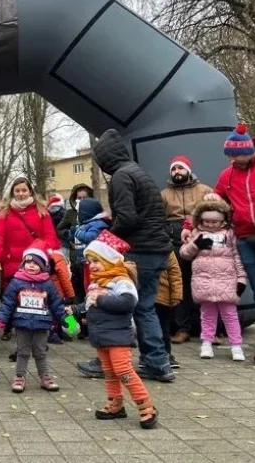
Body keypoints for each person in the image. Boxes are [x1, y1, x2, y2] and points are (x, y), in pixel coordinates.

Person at [184, 124, 255, 364]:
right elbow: (210, 204)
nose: (231, 159)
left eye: (234, 155)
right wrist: (189, 227)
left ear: (249, 149)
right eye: (228, 155)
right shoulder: (228, 175)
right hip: (248, 240)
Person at [78, 129, 175, 383]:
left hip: (139, 251)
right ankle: (157, 361)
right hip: (157, 250)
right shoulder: (138, 172)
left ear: (105, 158)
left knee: (116, 304)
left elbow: (128, 218)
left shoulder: (122, 176)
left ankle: (108, 360)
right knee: (145, 307)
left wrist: (106, 239)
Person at [68, 231, 158, 429]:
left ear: (109, 260)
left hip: (118, 335)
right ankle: (115, 404)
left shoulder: (121, 281)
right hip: (100, 336)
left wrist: (101, 299)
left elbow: (128, 302)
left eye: (96, 261)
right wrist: (74, 310)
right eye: (89, 262)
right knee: (109, 372)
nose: (92, 266)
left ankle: (146, 405)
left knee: (123, 370)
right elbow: (87, 304)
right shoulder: (96, 283)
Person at [0, 177, 61, 340]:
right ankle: (7, 326)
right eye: (17, 191)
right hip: (12, 264)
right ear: (12, 192)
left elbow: (50, 237)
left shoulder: (41, 211)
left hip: (35, 263)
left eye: (24, 190)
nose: (21, 194)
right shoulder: (4, 213)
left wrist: (38, 251)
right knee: (11, 299)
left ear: (30, 191)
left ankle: (55, 329)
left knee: (45, 299)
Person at [180, 200, 246, 361]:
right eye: (207, 221)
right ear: (201, 220)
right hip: (204, 282)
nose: (211, 224)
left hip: (227, 280)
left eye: (215, 221)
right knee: (207, 315)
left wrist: (242, 279)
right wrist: (196, 244)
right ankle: (206, 343)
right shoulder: (197, 233)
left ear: (223, 220)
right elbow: (184, 253)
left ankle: (236, 345)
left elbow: (238, 256)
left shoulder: (229, 234)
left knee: (230, 315)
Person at [0, 245, 65, 393]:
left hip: (42, 323)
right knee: (22, 351)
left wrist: (69, 322)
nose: (31, 266)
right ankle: (20, 376)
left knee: (40, 351)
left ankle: (45, 376)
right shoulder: (16, 282)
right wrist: (1, 319)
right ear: (23, 265)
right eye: (28, 263)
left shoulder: (47, 284)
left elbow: (57, 304)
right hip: (22, 322)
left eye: (35, 263)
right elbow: (8, 302)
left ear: (43, 266)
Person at [161, 156, 212, 344]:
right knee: (180, 284)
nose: (177, 172)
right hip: (173, 239)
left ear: (188, 170)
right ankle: (183, 328)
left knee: (203, 283)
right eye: (173, 169)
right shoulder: (164, 194)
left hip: (199, 237)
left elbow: (215, 210)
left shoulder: (204, 190)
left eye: (180, 169)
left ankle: (210, 328)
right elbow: (158, 218)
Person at [155, 252, 182, 368]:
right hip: (146, 296)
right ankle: (148, 355)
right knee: (147, 330)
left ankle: (166, 354)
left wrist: (176, 295)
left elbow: (175, 272)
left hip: (162, 298)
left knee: (164, 330)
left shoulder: (166, 248)